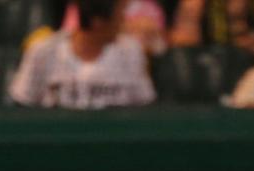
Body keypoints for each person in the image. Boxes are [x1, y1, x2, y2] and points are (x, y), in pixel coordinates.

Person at [9, 0, 156, 108]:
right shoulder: (44, 51)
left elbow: (144, 106)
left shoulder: (130, 52)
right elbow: (22, 104)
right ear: (98, 21)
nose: (123, 21)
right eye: (120, 14)